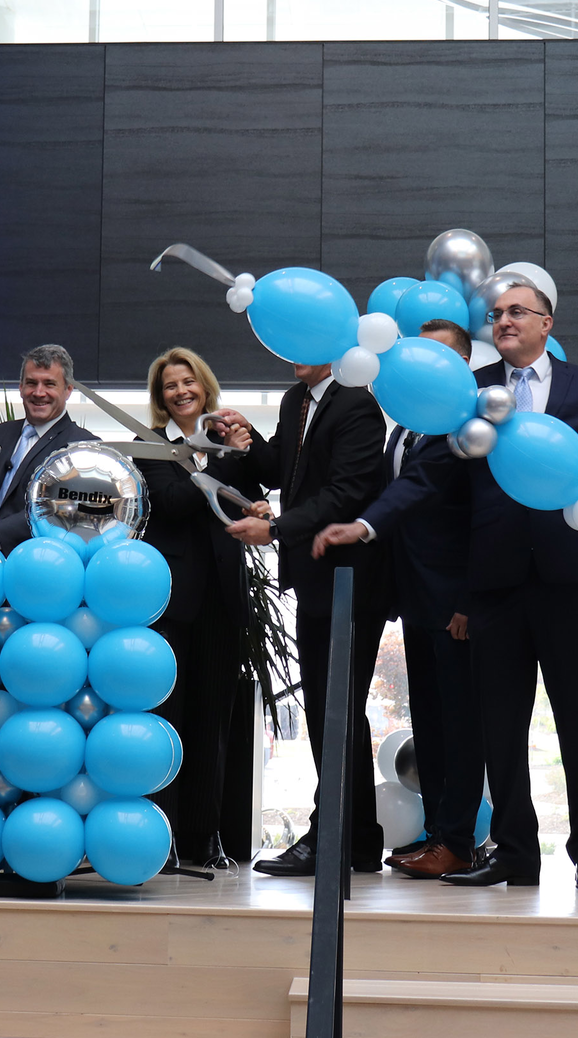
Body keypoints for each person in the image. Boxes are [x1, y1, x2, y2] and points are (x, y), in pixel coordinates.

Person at [315, 282, 578, 891]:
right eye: (496, 313)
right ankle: (515, 853)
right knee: (500, 732)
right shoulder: (473, 390)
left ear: (546, 322)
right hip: (494, 583)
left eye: (517, 312)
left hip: (568, 578)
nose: (504, 320)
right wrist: (370, 523)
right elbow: (429, 473)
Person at [213, 359, 389, 877]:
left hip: (351, 579)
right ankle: (357, 841)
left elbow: (346, 492)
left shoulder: (357, 403)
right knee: (331, 711)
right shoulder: (296, 401)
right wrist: (246, 438)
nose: (291, 352)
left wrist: (276, 529)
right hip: (314, 579)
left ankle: (331, 839)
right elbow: (280, 471)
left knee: (336, 711)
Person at [339, 318, 481, 881]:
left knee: (460, 727)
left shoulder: (466, 431)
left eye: (439, 355)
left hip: (455, 605)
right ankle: (438, 834)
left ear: (463, 366)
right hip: (413, 600)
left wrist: (468, 599)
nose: (425, 364)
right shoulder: (402, 427)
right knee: (431, 722)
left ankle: (459, 841)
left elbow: (481, 522)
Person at [135, 347, 262, 869]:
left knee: (214, 721)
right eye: (170, 385)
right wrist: (214, 456)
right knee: (166, 721)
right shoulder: (149, 446)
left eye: (188, 382)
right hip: (168, 603)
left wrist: (256, 502)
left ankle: (204, 836)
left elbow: (250, 497)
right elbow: (172, 503)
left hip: (223, 598)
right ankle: (161, 835)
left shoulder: (231, 440)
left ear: (205, 387)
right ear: (160, 397)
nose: (181, 391)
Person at [0, 344, 98, 552]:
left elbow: (58, 510)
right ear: (20, 387)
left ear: (68, 390)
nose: (39, 393)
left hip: (33, 559)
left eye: (49, 384)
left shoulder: (82, 447)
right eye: (31, 383)